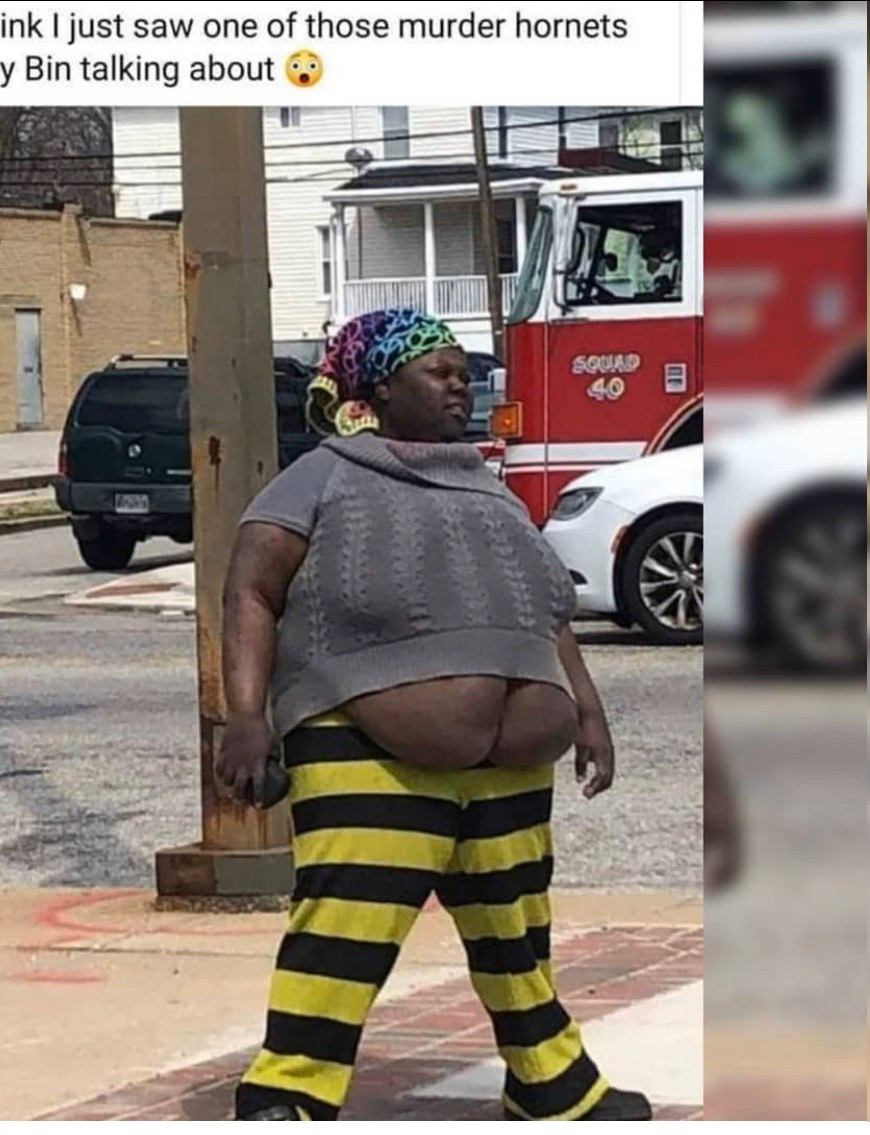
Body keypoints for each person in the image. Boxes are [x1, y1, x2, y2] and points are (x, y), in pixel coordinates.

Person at [219, 308, 652, 1122]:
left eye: (462, 372)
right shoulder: (321, 476)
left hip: (511, 763)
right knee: (344, 927)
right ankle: (289, 1088)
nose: (461, 385)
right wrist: (244, 716)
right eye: (439, 372)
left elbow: (546, 611)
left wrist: (587, 713)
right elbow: (250, 590)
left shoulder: (486, 484)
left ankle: (548, 1080)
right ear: (382, 388)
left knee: (516, 932)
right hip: (369, 744)